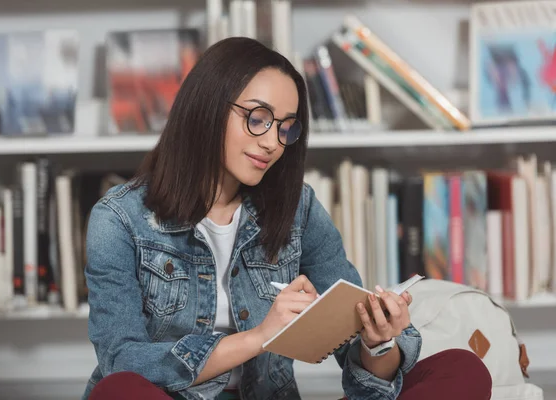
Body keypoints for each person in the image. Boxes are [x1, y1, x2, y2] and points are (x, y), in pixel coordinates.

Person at [82, 37, 492, 400]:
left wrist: (378, 342)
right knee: (119, 392)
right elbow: (123, 360)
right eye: (257, 118)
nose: (272, 143)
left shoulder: (299, 209)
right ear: (206, 108)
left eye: (286, 128)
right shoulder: (119, 218)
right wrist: (260, 337)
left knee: (461, 368)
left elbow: (362, 367)